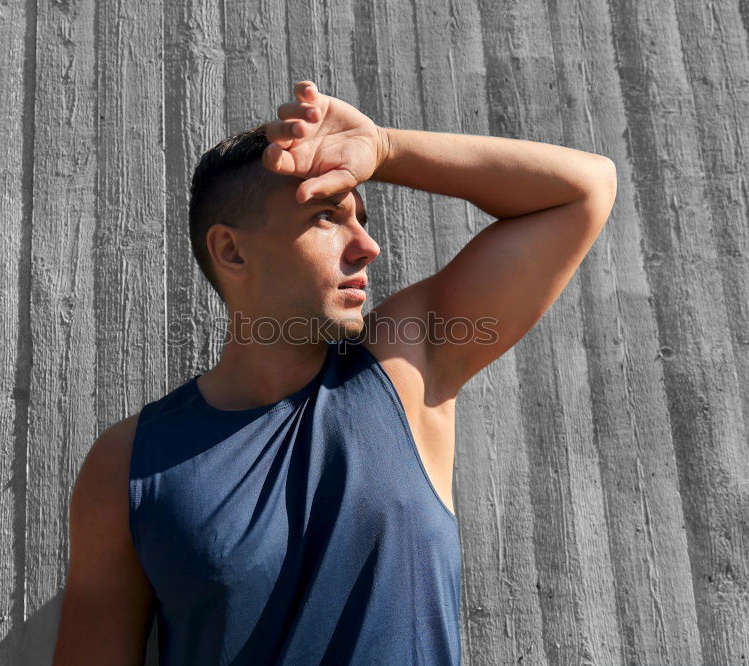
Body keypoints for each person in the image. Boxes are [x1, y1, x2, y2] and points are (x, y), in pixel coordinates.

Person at [52, 80, 617, 665]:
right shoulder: (130, 463)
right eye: (329, 217)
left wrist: (387, 148)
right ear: (232, 251)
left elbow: (584, 190)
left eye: (361, 218)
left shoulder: (406, 367)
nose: (367, 246)